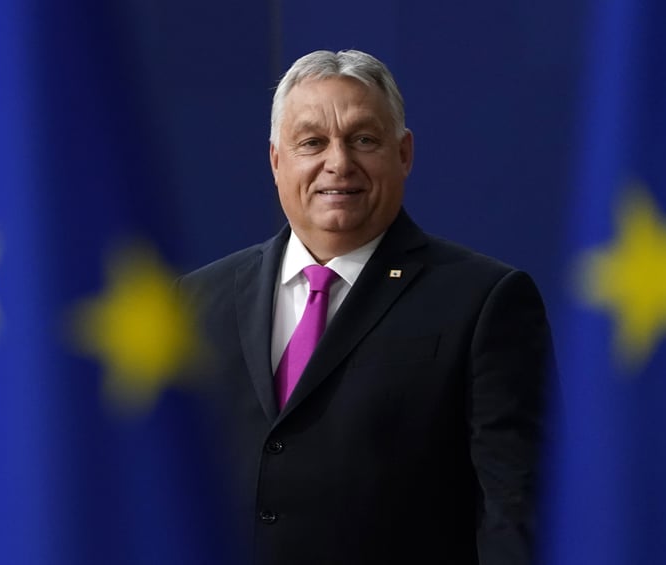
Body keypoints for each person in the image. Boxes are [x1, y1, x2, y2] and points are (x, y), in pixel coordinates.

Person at [180, 49, 554, 565]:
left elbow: (513, 510)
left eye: (363, 139)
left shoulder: (485, 300)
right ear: (275, 160)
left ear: (403, 154)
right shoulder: (196, 303)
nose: (338, 163)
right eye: (312, 142)